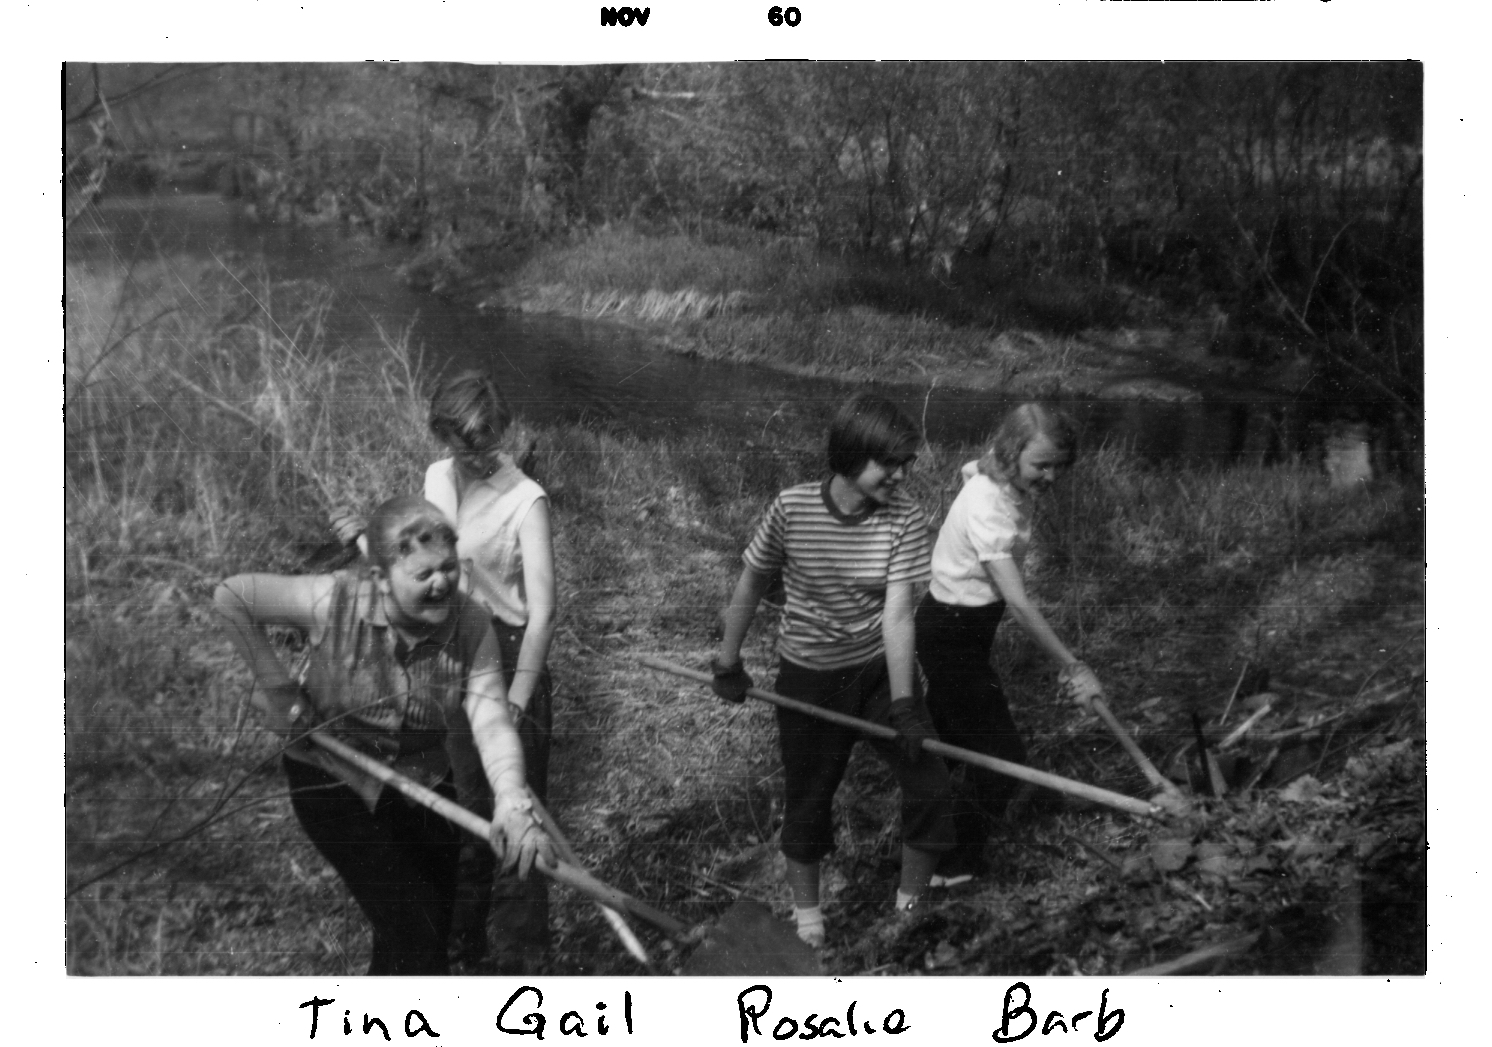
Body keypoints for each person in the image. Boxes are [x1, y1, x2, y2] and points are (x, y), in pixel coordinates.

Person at [213, 495, 555, 976]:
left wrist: (512, 801)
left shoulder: (472, 624)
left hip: (423, 781)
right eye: (423, 575)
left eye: (449, 569)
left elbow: (492, 722)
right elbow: (231, 597)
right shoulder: (331, 601)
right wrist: (279, 690)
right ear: (378, 579)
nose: (442, 584)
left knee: (423, 936)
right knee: (414, 930)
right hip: (334, 781)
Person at [710, 393, 954, 949]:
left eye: (906, 464)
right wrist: (728, 660)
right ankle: (809, 922)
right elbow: (751, 581)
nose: (900, 476)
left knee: (930, 781)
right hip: (811, 676)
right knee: (810, 796)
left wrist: (904, 705)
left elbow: (897, 614)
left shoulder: (906, 518)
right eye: (887, 464)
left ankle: (907, 907)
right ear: (849, 455)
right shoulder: (792, 508)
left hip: (876, 672)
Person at [913, 403, 1102, 887]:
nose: (1052, 476)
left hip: (964, 630)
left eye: (1059, 466)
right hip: (951, 633)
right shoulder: (988, 504)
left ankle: (917, 829)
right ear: (1012, 452)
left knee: (946, 742)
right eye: (1042, 464)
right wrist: (1072, 666)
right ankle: (954, 864)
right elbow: (1018, 603)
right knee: (1003, 759)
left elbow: (972, 469)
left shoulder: (998, 480)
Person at [421, 370, 557, 973]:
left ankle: (525, 961)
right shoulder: (436, 477)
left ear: (500, 431)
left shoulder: (526, 499)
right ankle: (463, 949)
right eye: (458, 443)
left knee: (519, 819)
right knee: (470, 812)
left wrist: (520, 700)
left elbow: (544, 612)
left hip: (508, 655)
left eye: (481, 442)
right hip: (454, 651)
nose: (470, 456)